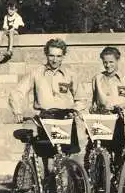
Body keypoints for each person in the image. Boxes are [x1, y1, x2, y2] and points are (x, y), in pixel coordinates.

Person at [8, 38, 88, 174]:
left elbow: (82, 98)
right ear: (46, 55)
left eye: (58, 56)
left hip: (65, 121)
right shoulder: (36, 73)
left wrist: (75, 109)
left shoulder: (70, 74)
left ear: (63, 56)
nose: (55, 60)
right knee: (46, 163)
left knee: (66, 162)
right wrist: (17, 111)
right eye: (51, 55)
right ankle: (46, 191)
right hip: (44, 121)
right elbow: (17, 91)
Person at [90, 46, 125, 163]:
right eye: (105, 62)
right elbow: (93, 101)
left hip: (120, 121)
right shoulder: (97, 78)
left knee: (119, 151)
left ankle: (119, 177)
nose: (108, 65)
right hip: (103, 120)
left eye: (111, 62)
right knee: (104, 152)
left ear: (117, 61)